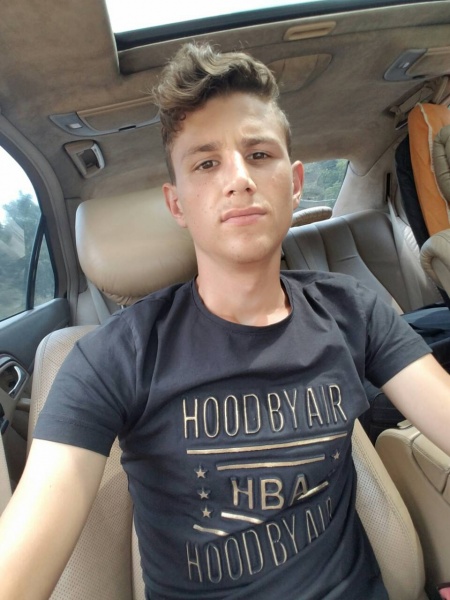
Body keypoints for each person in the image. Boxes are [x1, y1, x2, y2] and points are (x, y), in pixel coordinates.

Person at [1, 42, 450, 600]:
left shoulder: (354, 311)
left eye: (259, 154)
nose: (239, 177)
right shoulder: (113, 358)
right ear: (177, 204)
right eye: (206, 163)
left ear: (295, 182)